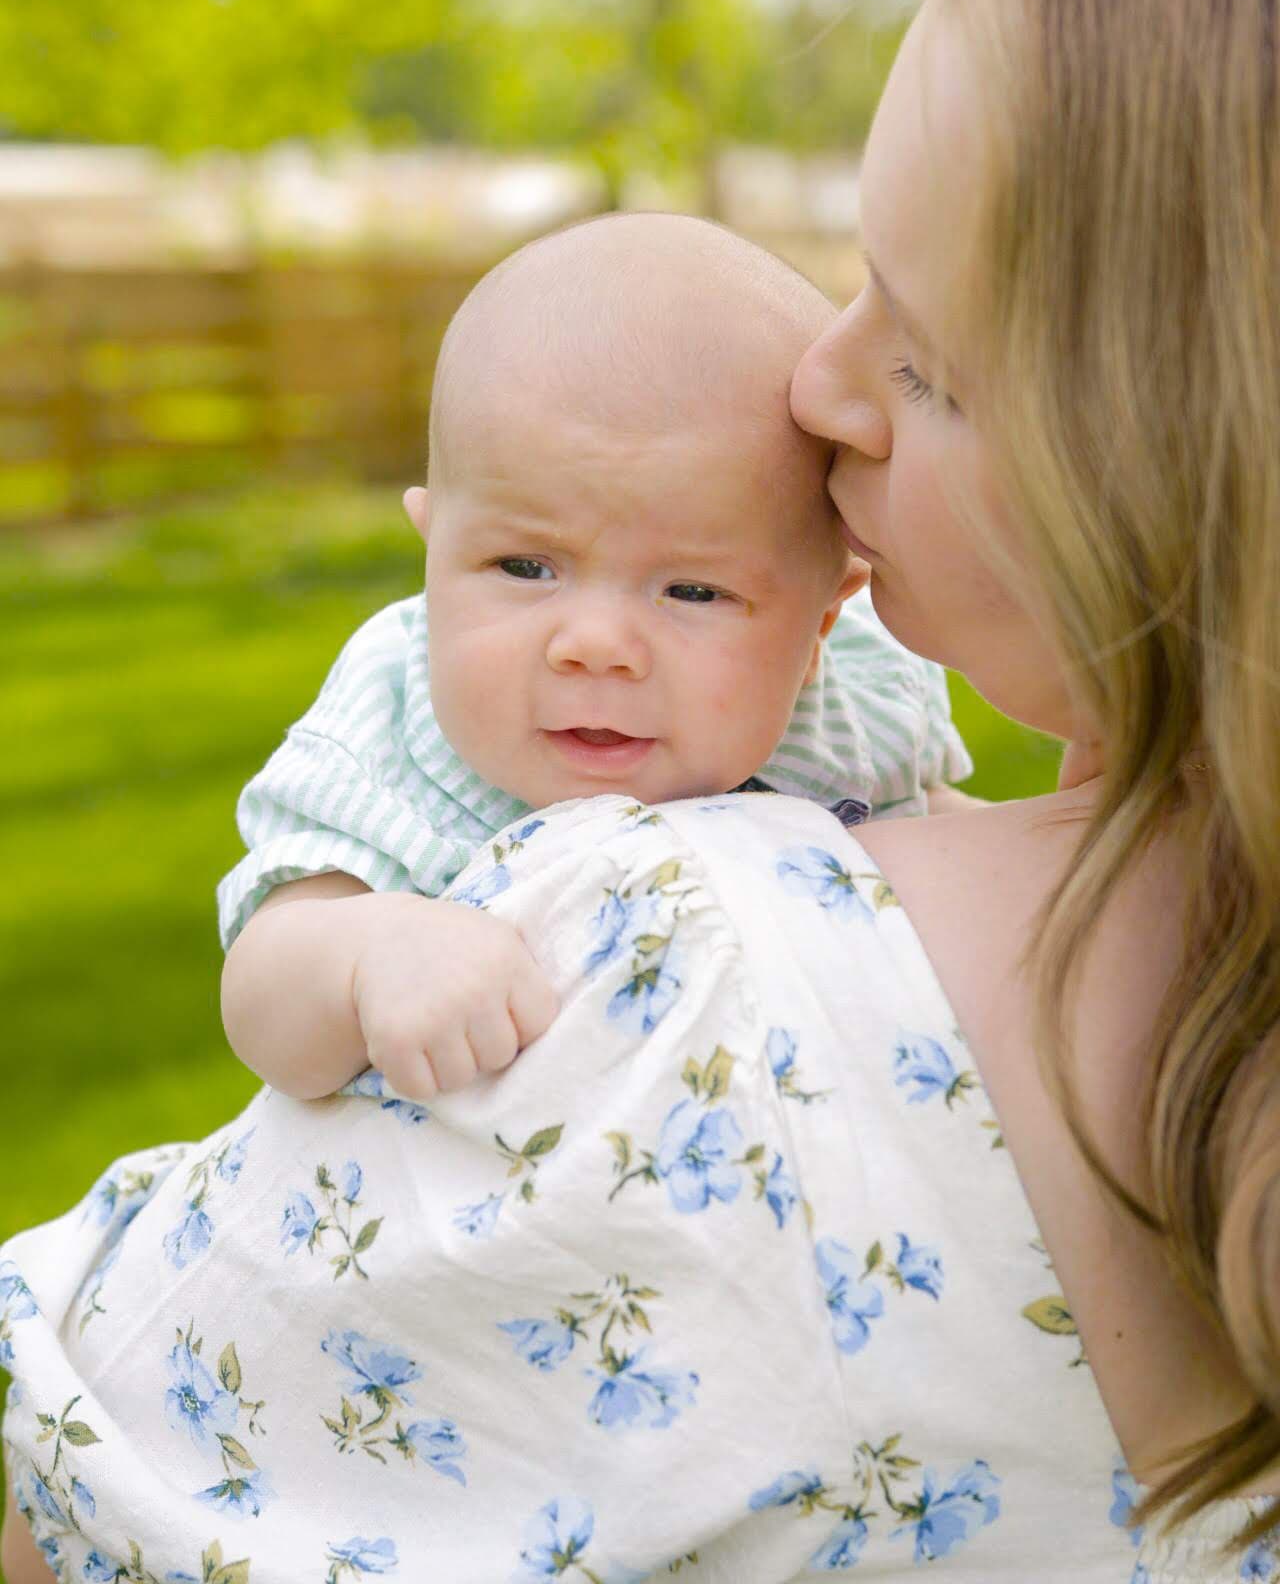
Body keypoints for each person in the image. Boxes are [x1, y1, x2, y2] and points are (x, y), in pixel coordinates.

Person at [4, 0, 1280, 1582]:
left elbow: (66, 1481)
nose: (812, 394)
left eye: (921, 359)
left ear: (1174, 462)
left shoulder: (686, 982)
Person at [215, 210, 972, 1108]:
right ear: (432, 550)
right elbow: (265, 997)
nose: (596, 648)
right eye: (525, 568)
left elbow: (951, 846)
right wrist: (370, 953)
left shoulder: (859, 708)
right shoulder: (399, 721)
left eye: (692, 592)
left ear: (821, 623)